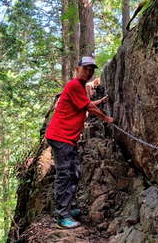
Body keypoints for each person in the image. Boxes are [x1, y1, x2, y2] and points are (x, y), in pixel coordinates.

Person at [45, 56, 113, 229]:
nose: (89, 72)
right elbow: (88, 107)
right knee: (64, 174)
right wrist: (106, 118)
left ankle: (68, 207)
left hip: (67, 138)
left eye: (91, 70)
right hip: (61, 137)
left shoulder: (80, 88)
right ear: (78, 69)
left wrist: (101, 101)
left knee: (74, 172)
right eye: (86, 68)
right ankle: (62, 214)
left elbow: (84, 104)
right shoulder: (74, 85)